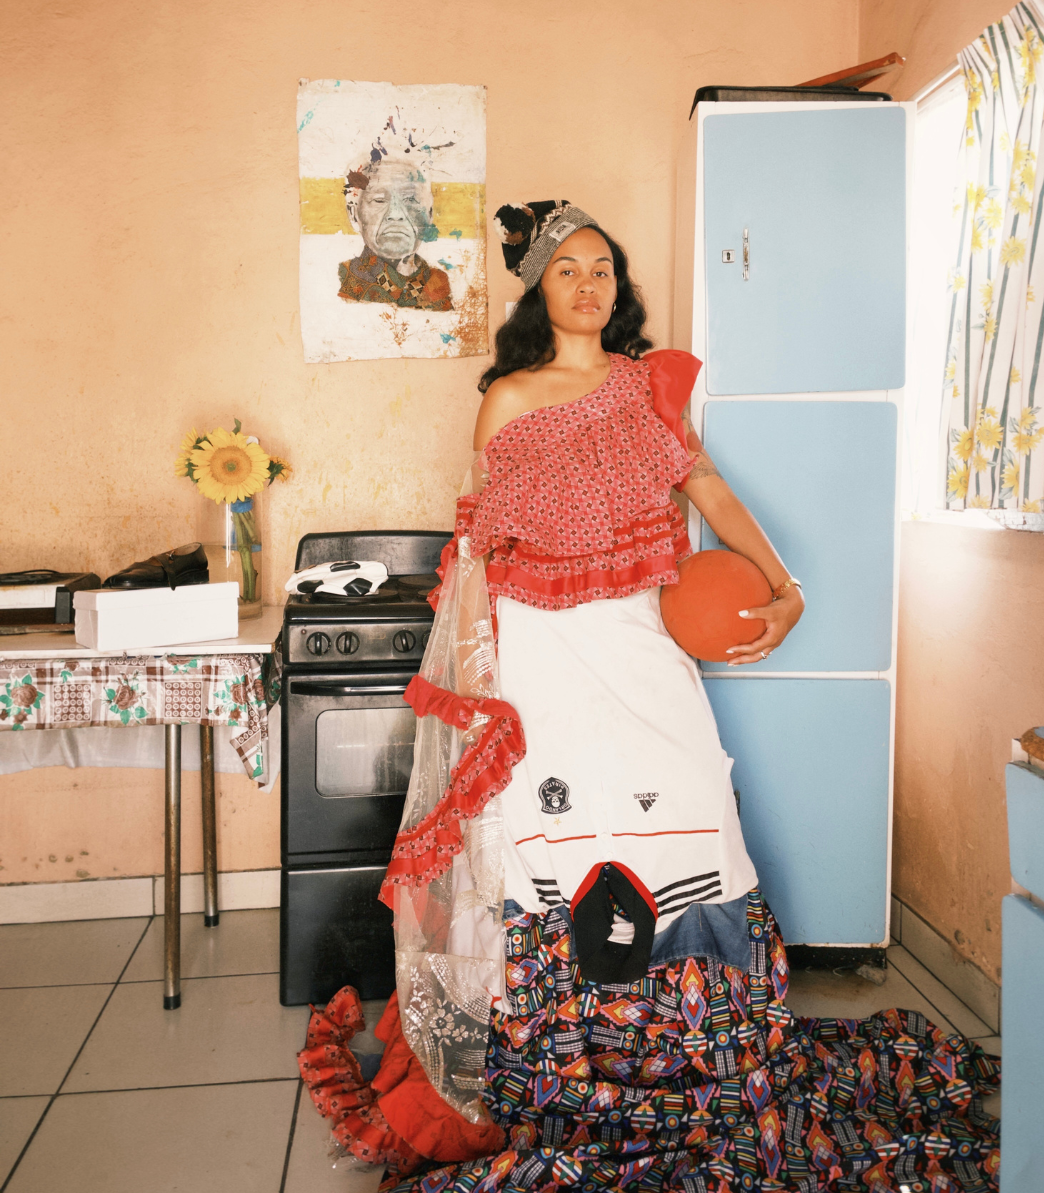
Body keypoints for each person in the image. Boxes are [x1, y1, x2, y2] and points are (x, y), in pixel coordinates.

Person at [299, 200, 1000, 1192]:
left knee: (692, 805)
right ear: (539, 290)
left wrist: (786, 585)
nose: (589, 286)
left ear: (616, 288)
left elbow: (707, 488)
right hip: (540, 653)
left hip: (640, 641)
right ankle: (570, 1068)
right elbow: (476, 554)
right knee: (561, 832)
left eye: (602, 270)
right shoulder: (507, 398)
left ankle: (704, 1054)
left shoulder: (647, 390)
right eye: (567, 271)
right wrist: (475, 687)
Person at [338, 157, 453, 311]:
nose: (396, 214)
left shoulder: (439, 283)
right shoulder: (344, 281)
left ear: (429, 214)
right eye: (379, 200)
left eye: (411, 199)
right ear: (353, 214)